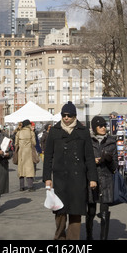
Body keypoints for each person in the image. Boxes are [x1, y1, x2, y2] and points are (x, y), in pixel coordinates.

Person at [43, 101, 98, 240]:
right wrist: (47, 178)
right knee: (60, 212)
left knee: (76, 212)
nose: (66, 118)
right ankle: (60, 237)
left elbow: (89, 157)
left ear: (74, 116)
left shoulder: (83, 131)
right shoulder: (54, 131)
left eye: (69, 115)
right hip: (60, 178)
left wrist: (92, 178)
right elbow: (48, 156)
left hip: (78, 179)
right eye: (64, 115)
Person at [86, 116, 118, 240]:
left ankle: (103, 238)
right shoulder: (88, 141)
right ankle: (89, 237)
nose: (103, 128)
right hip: (92, 180)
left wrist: (109, 160)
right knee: (91, 211)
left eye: (105, 125)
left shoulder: (111, 141)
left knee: (105, 211)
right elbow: (83, 162)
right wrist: (92, 161)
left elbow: (115, 166)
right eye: (100, 126)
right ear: (94, 128)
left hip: (106, 180)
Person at [15, 119, 36, 191]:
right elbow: (34, 143)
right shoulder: (31, 133)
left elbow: (16, 143)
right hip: (29, 152)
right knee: (29, 169)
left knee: (21, 169)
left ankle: (21, 186)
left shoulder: (19, 132)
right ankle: (30, 186)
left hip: (21, 152)